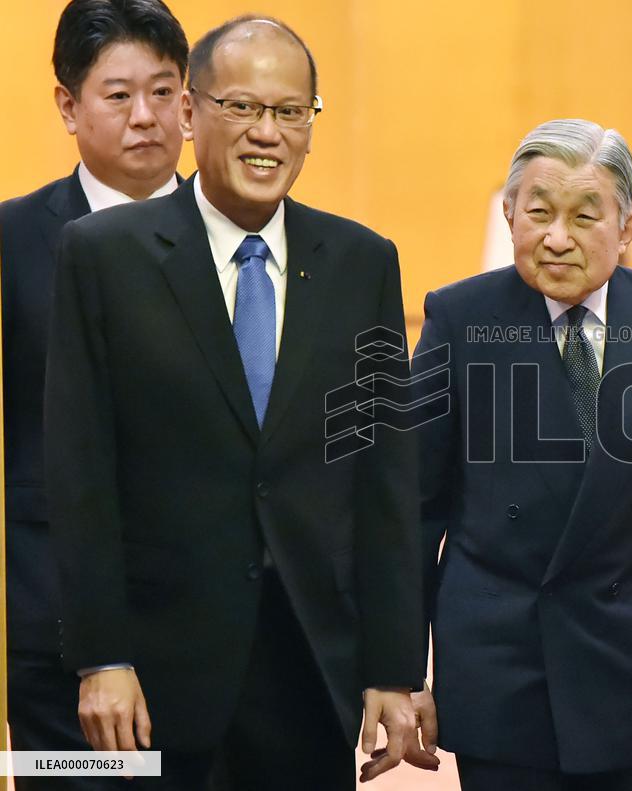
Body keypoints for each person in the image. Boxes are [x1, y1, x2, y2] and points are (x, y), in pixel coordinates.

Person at [44, 15, 422, 789]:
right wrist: (101, 655)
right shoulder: (103, 255)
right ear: (190, 114)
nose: (267, 133)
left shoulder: (362, 262)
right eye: (242, 107)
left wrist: (393, 667)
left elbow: (385, 481)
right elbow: (81, 472)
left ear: (311, 127)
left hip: (311, 667)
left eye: (290, 112)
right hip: (155, 672)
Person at [400, 119, 632, 791]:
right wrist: (404, 672)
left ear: (627, 227)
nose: (556, 237)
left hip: (625, 661)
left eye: (585, 216)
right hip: (501, 664)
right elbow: (414, 513)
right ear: (509, 216)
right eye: (538, 212)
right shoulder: (459, 318)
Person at [1, 2, 186, 786]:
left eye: (165, 91)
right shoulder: (12, 243)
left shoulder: (247, 239)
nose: (146, 117)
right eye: (118, 95)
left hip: (212, 631)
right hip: (56, 641)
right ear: (69, 106)